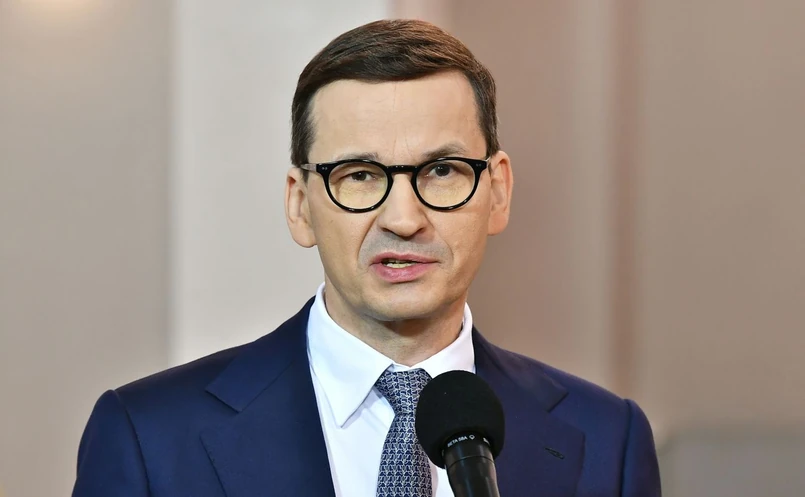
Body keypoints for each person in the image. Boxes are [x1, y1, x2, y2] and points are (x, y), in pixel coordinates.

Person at [72, 19, 660, 497]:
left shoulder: (607, 439)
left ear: (498, 192)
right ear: (300, 205)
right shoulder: (149, 437)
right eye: (359, 175)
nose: (403, 218)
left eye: (442, 170)